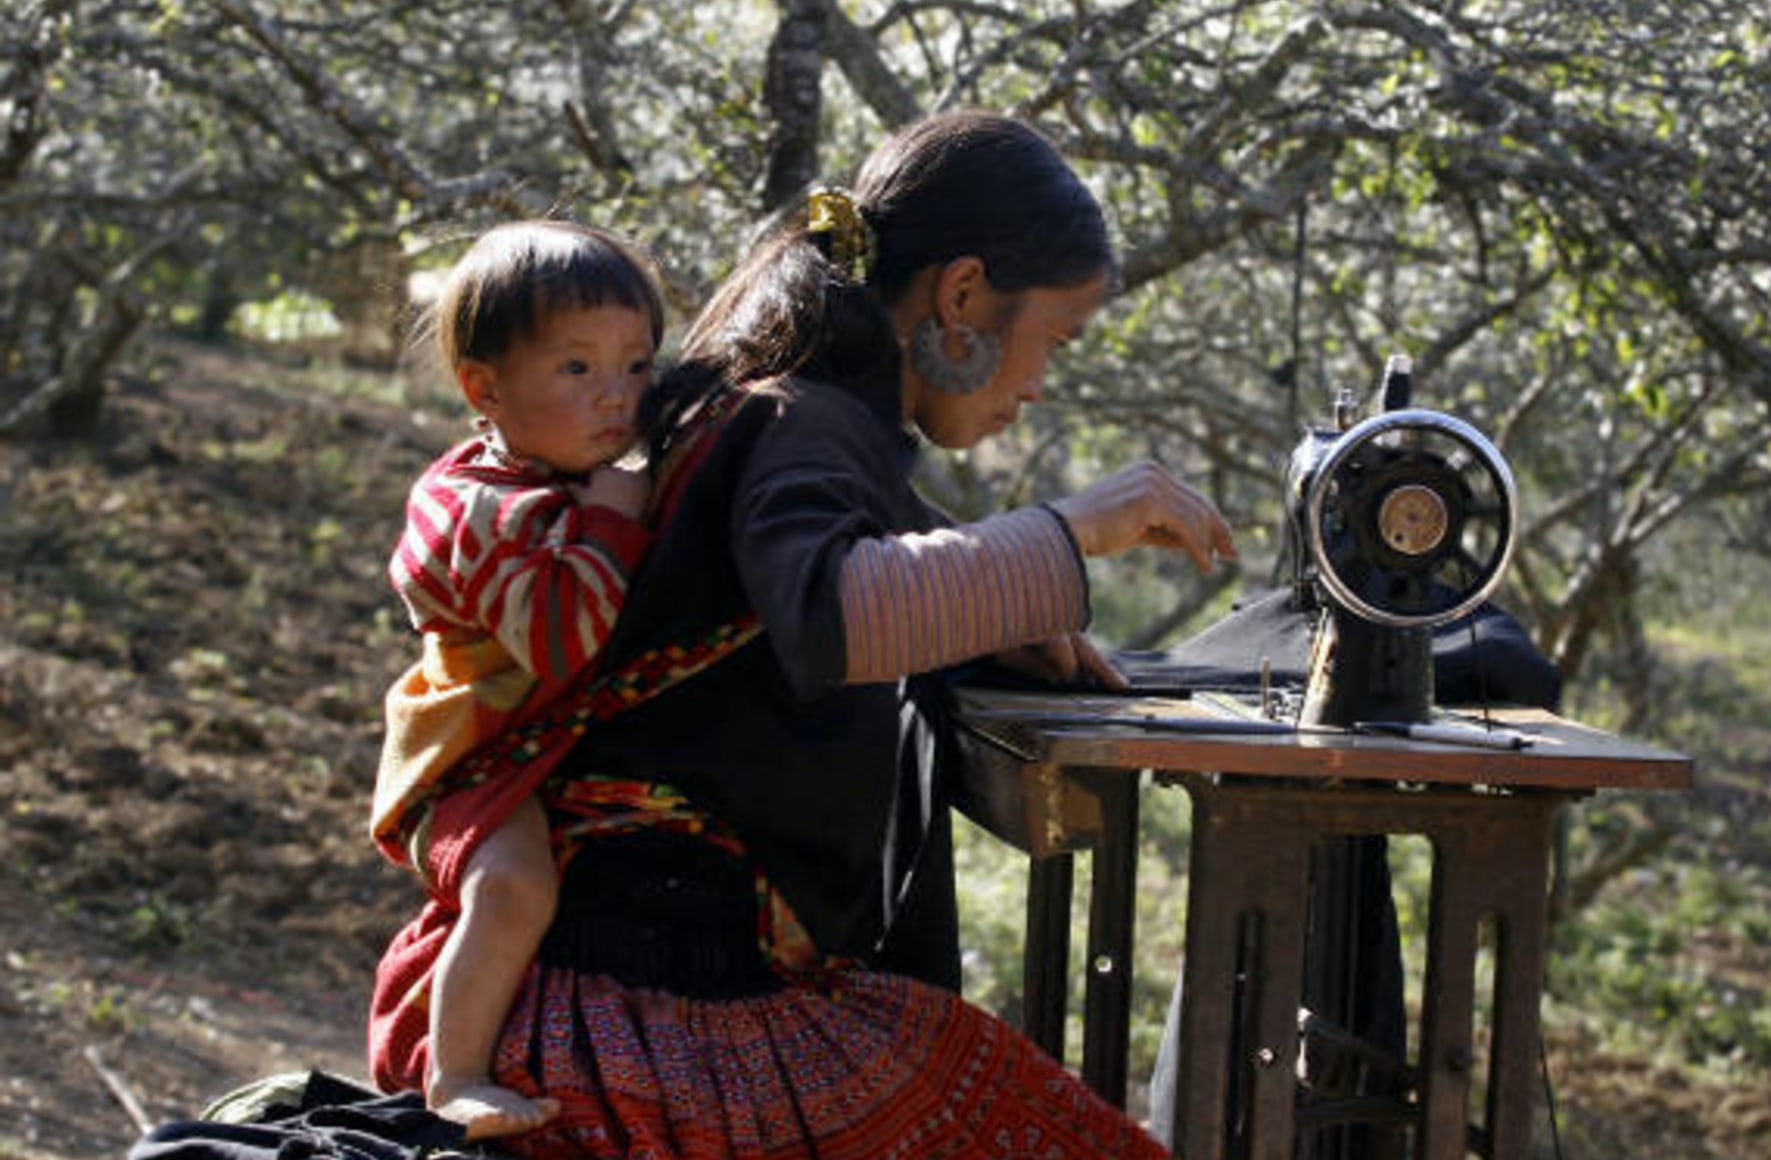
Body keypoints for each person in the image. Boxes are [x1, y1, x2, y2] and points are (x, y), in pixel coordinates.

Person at [367, 110, 1238, 1158]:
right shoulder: (805, 420)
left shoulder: (789, 412)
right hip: (647, 1012)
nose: (1041, 380)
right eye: (1053, 339)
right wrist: (1074, 528)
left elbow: (847, 559)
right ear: (963, 295)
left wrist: (1007, 613)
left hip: (635, 982)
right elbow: (830, 612)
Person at [368, 220, 665, 1141]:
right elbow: (562, 641)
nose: (616, 395)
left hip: (522, 748)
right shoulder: (482, 511)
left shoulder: (553, 475)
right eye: (577, 368)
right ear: (484, 389)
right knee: (515, 889)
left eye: (637, 366)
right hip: (466, 765)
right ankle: (454, 1074)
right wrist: (615, 519)